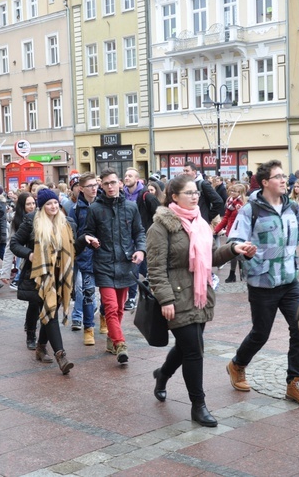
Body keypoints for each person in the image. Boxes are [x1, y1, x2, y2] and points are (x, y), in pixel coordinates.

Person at [148, 174, 255, 427]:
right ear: (174, 197)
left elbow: (209, 258)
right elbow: (155, 268)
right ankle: (199, 406)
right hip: (176, 295)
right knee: (195, 351)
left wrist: (232, 250)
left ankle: (162, 375)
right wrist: (165, 299)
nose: (195, 196)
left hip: (200, 293)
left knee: (188, 347)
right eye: (189, 193)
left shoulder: (199, 221)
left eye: (196, 192)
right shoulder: (161, 226)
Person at [226, 160, 299, 406]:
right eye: (278, 177)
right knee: (260, 333)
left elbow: (294, 239)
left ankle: (294, 383)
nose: (284, 181)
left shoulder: (292, 209)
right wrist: (243, 250)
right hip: (262, 281)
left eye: (284, 177)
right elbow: (234, 238)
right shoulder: (250, 210)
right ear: (265, 182)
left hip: (289, 280)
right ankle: (237, 365)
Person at [80, 168, 146, 364]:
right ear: (102, 185)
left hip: (126, 264)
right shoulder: (95, 209)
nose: (110, 186)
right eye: (106, 183)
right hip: (104, 263)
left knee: (118, 310)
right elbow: (87, 232)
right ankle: (120, 344)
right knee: (110, 306)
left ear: (120, 184)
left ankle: (111, 339)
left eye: (113, 182)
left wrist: (141, 250)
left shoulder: (131, 207)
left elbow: (139, 232)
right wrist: (90, 240)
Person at [10, 189, 76, 374]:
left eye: (55, 202)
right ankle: (61, 356)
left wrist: (86, 242)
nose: (53, 206)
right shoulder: (33, 221)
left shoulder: (67, 223)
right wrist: (30, 254)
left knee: (50, 312)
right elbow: (14, 243)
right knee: (51, 313)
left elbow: (73, 249)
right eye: (48, 204)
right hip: (40, 277)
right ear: (42, 206)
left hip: (60, 277)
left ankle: (40, 347)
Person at [70, 173, 103, 344]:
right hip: (85, 257)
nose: (94, 188)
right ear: (81, 188)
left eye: (95, 185)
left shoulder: (104, 203)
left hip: (104, 255)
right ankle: (88, 328)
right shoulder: (75, 209)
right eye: (90, 186)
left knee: (106, 293)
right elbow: (73, 235)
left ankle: (104, 318)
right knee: (88, 293)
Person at [2, 192, 36, 347]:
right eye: (28, 204)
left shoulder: (41, 217)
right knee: (33, 301)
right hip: (27, 264)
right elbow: (11, 246)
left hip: (43, 265)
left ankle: (40, 333)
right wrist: (5, 271)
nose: (31, 207)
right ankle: (30, 333)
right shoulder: (18, 221)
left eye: (33, 203)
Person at [123, 167, 154, 311]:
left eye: (130, 176)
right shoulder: (121, 194)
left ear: (137, 179)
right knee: (134, 266)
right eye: (125, 175)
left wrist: (152, 230)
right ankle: (132, 296)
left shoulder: (145, 195)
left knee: (139, 267)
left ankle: (137, 295)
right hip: (126, 237)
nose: (127, 178)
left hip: (142, 236)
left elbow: (158, 211)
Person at [214, 183, 246, 282]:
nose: (232, 193)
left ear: (240, 193)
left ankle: (243, 275)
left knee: (241, 253)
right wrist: (216, 229)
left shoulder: (241, 204)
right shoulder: (231, 203)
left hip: (240, 232)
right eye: (231, 191)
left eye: (234, 191)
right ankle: (232, 274)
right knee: (233, 252)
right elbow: (226, 218)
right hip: (231, 232)